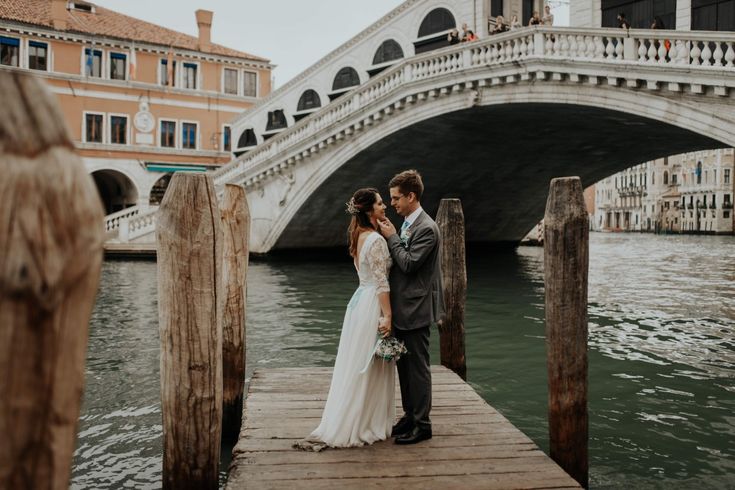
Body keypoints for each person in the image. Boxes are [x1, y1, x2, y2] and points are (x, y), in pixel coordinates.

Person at [296, 188, 395, 450]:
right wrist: (388, 315)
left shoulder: (357, 235)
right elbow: (381, 281)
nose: (385, 206)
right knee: (370, 364)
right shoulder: (376, 240)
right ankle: (365, 422)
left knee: (357, 361)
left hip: (359, 302)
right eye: (380, 203)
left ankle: (355, 416)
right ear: (369, 210)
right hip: (373, 302)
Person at [377, 170, 443, 445]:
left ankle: (422, 424)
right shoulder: (407, 223)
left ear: (411, 196)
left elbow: (408, 263)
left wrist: (392, 238)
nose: (392, 203)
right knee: (404, 366)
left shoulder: (426, 228)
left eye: (396, 198)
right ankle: (409, 416)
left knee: (417, 368)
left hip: (416, 309)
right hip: (404, 307)